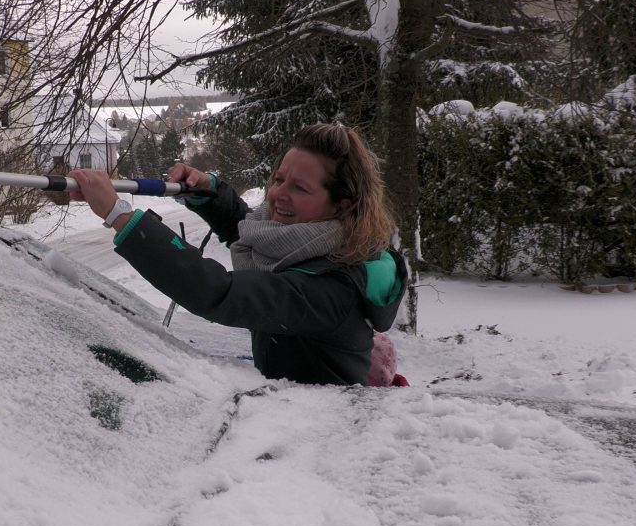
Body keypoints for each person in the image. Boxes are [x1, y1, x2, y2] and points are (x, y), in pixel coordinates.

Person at [68, 123, 408, 386]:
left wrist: (120, 215)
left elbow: (219, 293)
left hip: (312, 448)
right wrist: (210, 193)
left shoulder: (332, 291)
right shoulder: (310, 245)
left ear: (341, 205)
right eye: (279, 179)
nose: (278, 195)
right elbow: (249, 234)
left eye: (299, 187)